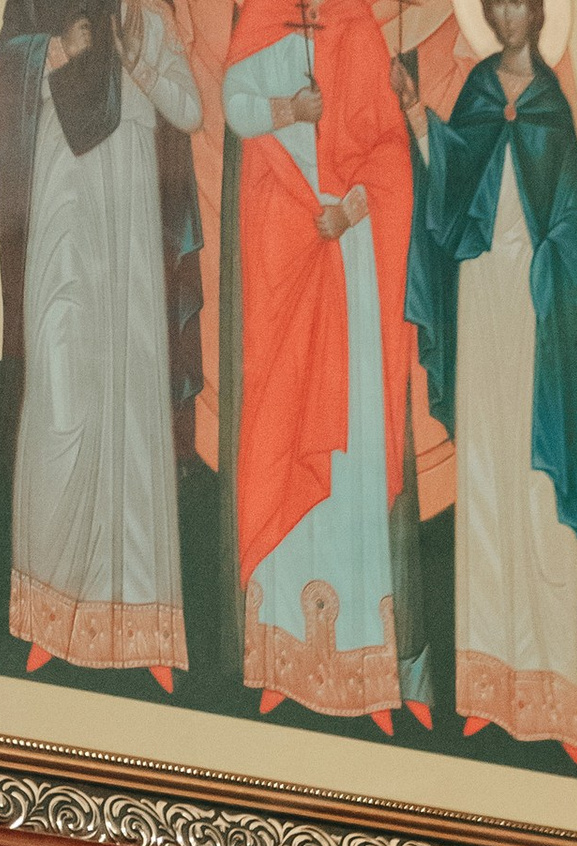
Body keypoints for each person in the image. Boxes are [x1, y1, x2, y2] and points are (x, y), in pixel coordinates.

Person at [399, 0, 577, 765]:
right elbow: (449, 184)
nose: (510, 12)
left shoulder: (551, 104)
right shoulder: (482, 89)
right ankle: (487, 685)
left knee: (536, 490)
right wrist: (420, 117)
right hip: (482, 298)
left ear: (542, 14)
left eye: (522, 1)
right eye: (498, 2)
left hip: (540, 315)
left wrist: (557, 272)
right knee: (484, 473)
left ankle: (553, 691)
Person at [222, 0, 431, 731]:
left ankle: (366, 672)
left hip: (347, 251)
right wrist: (288, 105)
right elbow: (237, 108)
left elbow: (390, 154)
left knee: (354, 457)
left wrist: (352, 210)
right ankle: (281, 660)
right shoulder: (263, 21)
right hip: (288, 246)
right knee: (284, 440)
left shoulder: (360, 30)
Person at [0, 0, 203, 683]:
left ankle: (145, 623)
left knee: (134, 398)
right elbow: (8, 60)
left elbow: (191, 109)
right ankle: (49, 614)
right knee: (60, 391)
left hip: (133, 206)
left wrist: (140, 57)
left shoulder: (150, 17)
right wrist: (54, 47)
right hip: (64, 192)